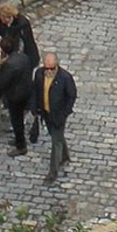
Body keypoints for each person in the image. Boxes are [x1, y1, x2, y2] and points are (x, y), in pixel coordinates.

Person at [37, 48, 77, 182]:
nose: (48, 71)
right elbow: (36, 90)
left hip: (59, 114)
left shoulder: (65, 78)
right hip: (46, 113)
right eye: (46, 68)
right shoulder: (39, 74)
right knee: (57, 136)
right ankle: (65, 156)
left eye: (51, 68)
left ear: (57, 65)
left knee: (56, 142)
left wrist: (65, 113)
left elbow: (71, 96)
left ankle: (53, 171)